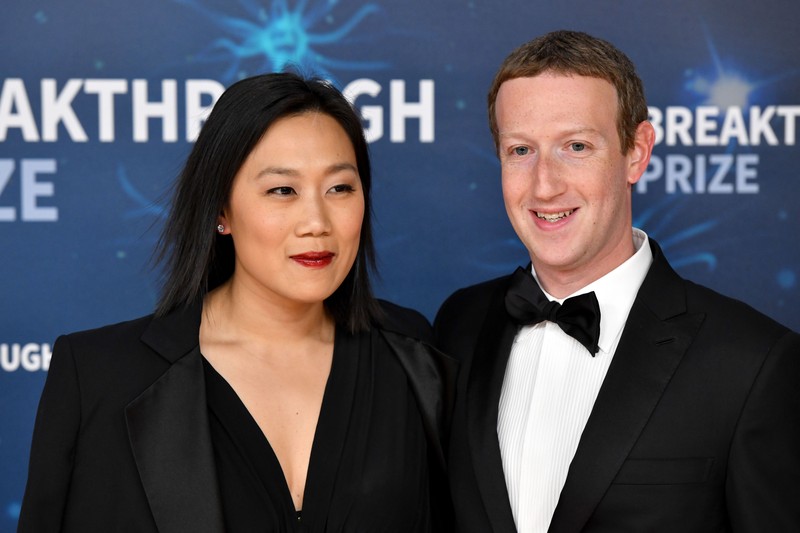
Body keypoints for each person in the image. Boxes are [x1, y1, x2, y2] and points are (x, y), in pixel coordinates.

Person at [18, 72, 456, 533]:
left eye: (340, 188)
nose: (316, 222)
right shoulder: (98, 377)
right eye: (282, 190)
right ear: (221, 210)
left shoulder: (415, 357)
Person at [435, 30, 800, 533]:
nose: (545, 184)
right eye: (521, 150)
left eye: (576, 146)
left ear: (637, 152)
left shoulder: (751, 363)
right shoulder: (459, 325)